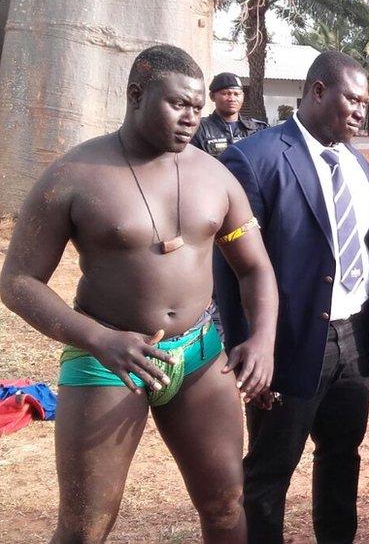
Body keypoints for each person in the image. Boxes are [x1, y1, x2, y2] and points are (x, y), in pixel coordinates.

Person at [0, 44, 278, 542]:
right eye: (178, 105)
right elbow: (17, 282)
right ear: (134, 95)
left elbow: (255, 267)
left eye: (198, 107)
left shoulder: (215, 176)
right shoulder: (75, 175)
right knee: (86, 526)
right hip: (106, 361)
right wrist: (99, 339)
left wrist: (262, 341)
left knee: (226, 505)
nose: (192, 118)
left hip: (197, 354)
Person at [213, 50, 369, 544]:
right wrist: (249, 348)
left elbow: (366, 248)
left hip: (354, 339)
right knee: (271, 469)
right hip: (286, 343)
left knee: (341, 455)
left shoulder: (358, 164)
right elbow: (230, 272)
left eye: (365, 103)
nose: (361, 112)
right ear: (317, 91)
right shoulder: (254, 159)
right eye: (352, 100)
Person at [191, 72, 268, 157]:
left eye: (236, 94)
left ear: (243, 96)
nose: (232, 99)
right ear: (212, 96)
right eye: (226, 94)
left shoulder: (257, 129)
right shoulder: (198, 129)